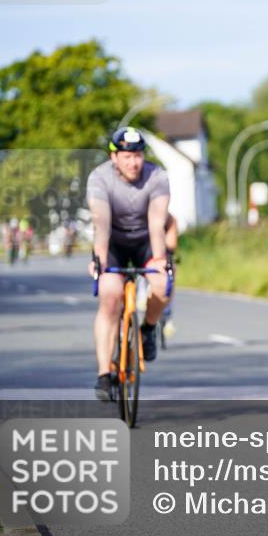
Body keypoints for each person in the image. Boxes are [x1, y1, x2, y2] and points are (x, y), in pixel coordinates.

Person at [87, 127, 171, 401]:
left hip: (145, 240)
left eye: (137, 156)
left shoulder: (156, 176)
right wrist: (99, 260)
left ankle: (147, 329)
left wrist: (159, 261)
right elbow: (101, 224)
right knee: (110, 295)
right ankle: (103, 374)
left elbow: (157, 223)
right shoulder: (99, 178)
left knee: (162, 285)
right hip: (113, 243)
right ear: (114, 157)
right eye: (126, 156)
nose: (133, 162)